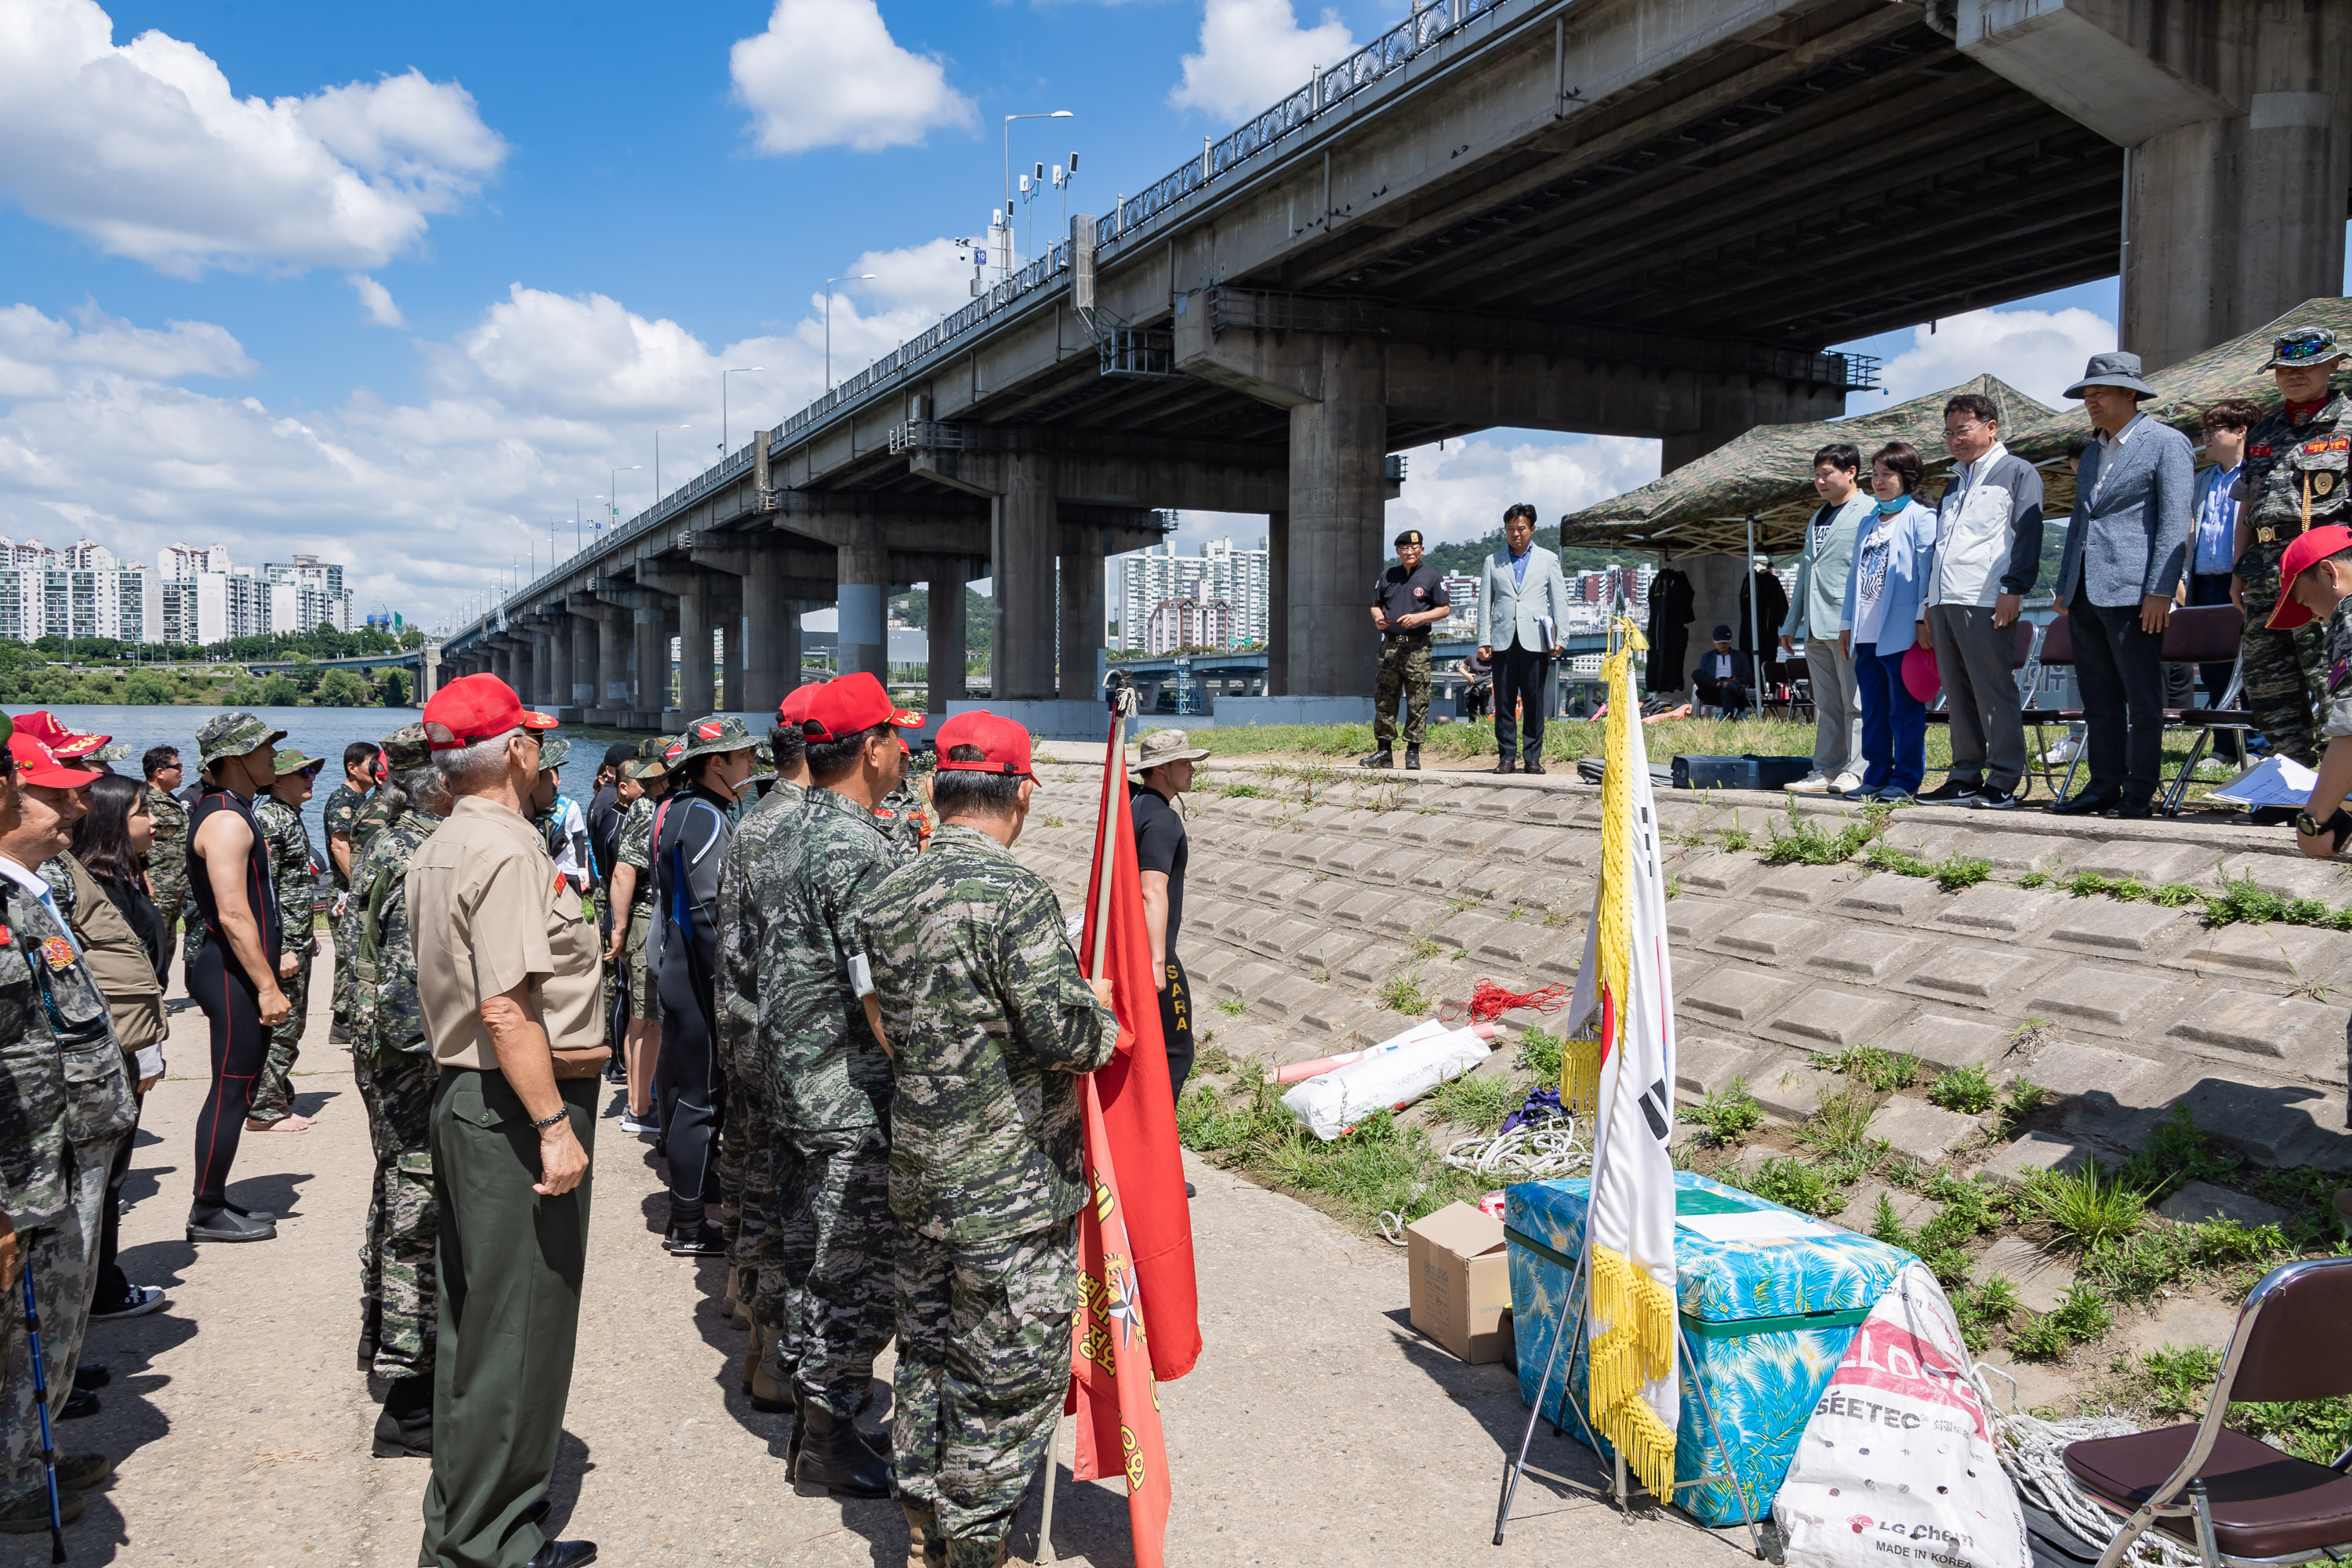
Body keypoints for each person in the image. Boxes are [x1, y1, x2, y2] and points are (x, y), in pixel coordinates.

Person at [863, 711, 1119, 1568]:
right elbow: (1067, 1035)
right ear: (1016, 793)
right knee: (1004, 1376)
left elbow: (885, 1024)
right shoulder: (1015, 895)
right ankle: (973, 1544)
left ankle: (922, 1521)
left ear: (937, 787)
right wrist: (1100, 1005)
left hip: (920, 1177)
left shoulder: (888, 889)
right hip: (1006, 1189)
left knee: (928, 1353)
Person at [408, 675, 601, 1568]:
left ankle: (464, 1522)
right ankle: (488, 1545)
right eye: (533, 738)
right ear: (515, 749)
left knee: (475, 1324)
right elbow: (507, 1007)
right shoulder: (508, 848)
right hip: (508, 1104)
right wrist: (555, 1124)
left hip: (467, 1095)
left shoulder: (443, 839)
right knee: (518, 1329)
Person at [753, 672, 920, 1497]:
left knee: (812, 1257)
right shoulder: (857, 845)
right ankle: (829, 1430)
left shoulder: (780, 826)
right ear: (873, 746)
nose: (906, 753)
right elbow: (878, 985)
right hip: (850, 1093)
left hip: (792, 1077)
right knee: (858, 1273)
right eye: (898, 738)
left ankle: (815, 1417)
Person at [0, 717, 137, 1534]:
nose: (73, 810)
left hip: (69, 1142)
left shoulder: (32, 892)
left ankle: (30, 1451)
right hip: (30, 1160)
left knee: (54, 1315)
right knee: (27, 1320)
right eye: (53, 795)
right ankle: (13, 1470)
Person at [343, 724, 452, 1459]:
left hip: (385, 1054)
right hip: (412, 1060)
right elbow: (409, 991)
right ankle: (412, 1401)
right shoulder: (421, 850)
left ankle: (382, 1332)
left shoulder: (390, 837)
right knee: (420, 1210)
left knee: (397, 1194)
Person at [717, 687, 814, 1412]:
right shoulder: (806, 830)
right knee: (793, 1212)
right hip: (792, 1052)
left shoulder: (751, 821)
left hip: (747, 1035)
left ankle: (757, 1340)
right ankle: (777, 1359)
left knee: (759, 1197)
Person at [2049, 351, 2195, 818]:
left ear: (2130, 393)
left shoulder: (2166, 442)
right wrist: (2064, 582)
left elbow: (2174, 522)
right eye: (2086, 393)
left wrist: (2160, 589)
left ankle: (2140, 790)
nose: (2089, 400)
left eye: (2098, 392)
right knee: (2098, 695)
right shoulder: (2093, 450)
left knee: (2142, 695)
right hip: (2087, 589)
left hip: (2136, 589)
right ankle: (2103, 784)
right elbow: (2080, 521)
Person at [650, 715, 758, 1256]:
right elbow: (707, 912)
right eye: (744, 758)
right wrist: (730, 987)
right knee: (700, 1099)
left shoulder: (675, 808)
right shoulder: (706, 817)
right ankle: (688, 1225)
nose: (752, 765)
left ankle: (693, 1195)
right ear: (717, 763)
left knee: (685, 1091)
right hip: (697, 975)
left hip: (676, 967)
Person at [185, 712, 293, 1243]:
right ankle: (206, 1210)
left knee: (241, 1089)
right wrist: (267, 986)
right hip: (230, 973)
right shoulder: (226, 819)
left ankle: (215, 1196)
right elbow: (232, 913)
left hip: (240, 970)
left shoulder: (234, 809)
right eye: (262, 747)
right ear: (231, 759)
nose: (273, 755)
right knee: (231, 1090)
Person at [66, 774, 170, 1323]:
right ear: (110, 823)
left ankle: (101, 1284)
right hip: (113, 1050)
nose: (153, 821)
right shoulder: (95, 888)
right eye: (141, 812)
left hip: (130, 1045)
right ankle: (98, 1290)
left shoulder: (123, 878)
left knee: (111, 1178)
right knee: (102, 1180)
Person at [1918, 391, 2045, 810]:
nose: (1955, 439)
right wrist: (1926, 605)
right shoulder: (1954, 481)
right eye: (1949, 432)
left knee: (1994, 690)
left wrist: (2013, 589)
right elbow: (1940, 547)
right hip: (1943, 599)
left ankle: (2005, 777)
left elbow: (2028, 536)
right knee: (1957, 692)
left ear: (1991, 427)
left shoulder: (2018, 472)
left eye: (1964, 430)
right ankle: (1965, 775)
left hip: (1985, 598)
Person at [2236, 328, 2351, 766]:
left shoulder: (2349, 422)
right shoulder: (2264, 428)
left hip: (2324, 570)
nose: (2293, 376)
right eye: (2284, 369)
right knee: (2268, 682)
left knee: (2330, 676)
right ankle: (2289, 780)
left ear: (2333, 365)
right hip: (2265, 568)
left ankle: (2337, 787)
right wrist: (2237, 569)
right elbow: (2248, 503)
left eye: (2304, 367)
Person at [1839, 441, 1939, 803]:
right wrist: (1847, 622)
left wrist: (1921, 620)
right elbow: (1854, 576)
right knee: (1875, 710)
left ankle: (1907, 779)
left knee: (1905, 710)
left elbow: (1928, 574)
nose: (1879, 481)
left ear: (1906, 477)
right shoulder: (1868, 521)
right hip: (1866, 631)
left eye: (1888, 474)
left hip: (1902, 632)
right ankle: (1877, 774)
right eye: (1875, 474)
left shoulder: (1922, 517)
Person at [1781, 442, 1871, 793]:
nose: (1820, 481)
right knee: (1827, 702)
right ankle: (1827, 769)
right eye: (1816, 474)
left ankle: (1858, 768)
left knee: (1856, 700)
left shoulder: (1868, 510)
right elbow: (1806, 573)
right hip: (1815, 623)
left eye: (1827, 473)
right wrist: (1791, 623)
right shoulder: (1818, 515)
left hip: (1848, 620)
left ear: (1851, 472)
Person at [1132, 727, 1210, 1108]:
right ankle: (1157, 1147)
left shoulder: (1133, 806)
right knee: (1176, 1053)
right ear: (1162, 769)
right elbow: (1152, 891)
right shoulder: (1162, 820)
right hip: (1154, 952)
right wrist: (1158, 962)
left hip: (1128, 947)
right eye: (1186, 762)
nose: (1193, 769)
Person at [249, 751, 324, 1134]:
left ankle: (274, 1094)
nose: (311, 778)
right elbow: (264, 891)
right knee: (283, 1027)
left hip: (295, 939)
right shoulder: (269, 821)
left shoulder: (288, 817)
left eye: (311, 772)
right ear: (277, 781)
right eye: (303, 773)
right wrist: (278, 948)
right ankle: (265, 1110)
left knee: (291, 1027)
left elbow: (293, 888)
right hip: (281, 947)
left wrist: (306, 937)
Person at [2181, 400, 2260, 753]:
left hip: (2244, 579)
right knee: (2214, 667)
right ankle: (2225, 747)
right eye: (2206, 430)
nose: (2207, 437)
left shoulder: (2257, 472)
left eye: (2215, 429)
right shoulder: (2201, 480)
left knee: (2254, 665)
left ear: (2241, 431)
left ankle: (2257, 746)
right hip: (2204, 580)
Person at [603, 737, 673, 1137]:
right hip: (646, 919)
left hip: (642, 921)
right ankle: (640, 1108)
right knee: (648, 1021)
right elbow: (624, 871)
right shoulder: (650, 808)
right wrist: (621, 927)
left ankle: (638, 1099)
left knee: (638, 1018)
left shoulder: (642, 804)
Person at [1476, 503, 1574, 773]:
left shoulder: (1548, 559)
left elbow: (1560, 601)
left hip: (1536, 638)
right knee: (1504, 701)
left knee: (1534, 700)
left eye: (1521, 529)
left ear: (1532, 529)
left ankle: (1533, 757)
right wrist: (1483, 639)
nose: (1515, 534)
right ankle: (1506, 756)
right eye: (1510, 529)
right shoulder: (1492, 561)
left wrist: (1561, 638)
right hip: (1502, 639)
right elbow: (1485, 604)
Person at [1360, 528, 1451, 770]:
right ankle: (1384, 752)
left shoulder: (1432, 576)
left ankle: (1413, 752)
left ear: (1421, 550)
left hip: (1418, 648)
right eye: (1404, 548)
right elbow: (1375, 604)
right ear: (1398, 551)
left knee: (1418, 700)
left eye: (1414, 548)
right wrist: (1378, 617)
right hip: (1390, 648)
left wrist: (1420, 618)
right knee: (1384, 700)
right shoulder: (1388, 575)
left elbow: (1444, 609)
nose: (1409, 552)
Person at [325, 742, 379, 1048]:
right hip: (346, 891)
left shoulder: (363, 800)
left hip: (353, 888)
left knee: (357, 955)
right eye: (371, 764)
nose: (376, 770)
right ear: (352, 767)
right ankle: (344, 1021)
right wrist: (359, 888)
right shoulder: (343, 801)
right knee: (350, 956)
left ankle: (345, 1020)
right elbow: (339, 846)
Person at [142, 746, 188, 973]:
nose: (182, 772)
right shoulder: (143, 801)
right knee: (151, 949)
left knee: (168, 947)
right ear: (160, 772)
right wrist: (145, 879)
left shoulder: (172, 800)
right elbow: (133, 845)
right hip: (156, 889)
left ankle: (160, 997)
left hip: (175, 889)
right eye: (177, 767)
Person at [1690, 626, 1750, 715]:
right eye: (1719, 643)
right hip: (1712, 690)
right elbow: (1703, 677)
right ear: (1714, 641)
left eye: (1725, 642)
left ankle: (1728, 721)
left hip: (1732, 690)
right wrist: (1715, 682)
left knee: (1727, 691)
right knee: (1696, 673)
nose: (1722, 645)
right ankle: (1720, 684)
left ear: (1730, 641)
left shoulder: (1740, 656)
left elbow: (1749, 676)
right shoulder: (1707, 657)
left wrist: (1737, 680)